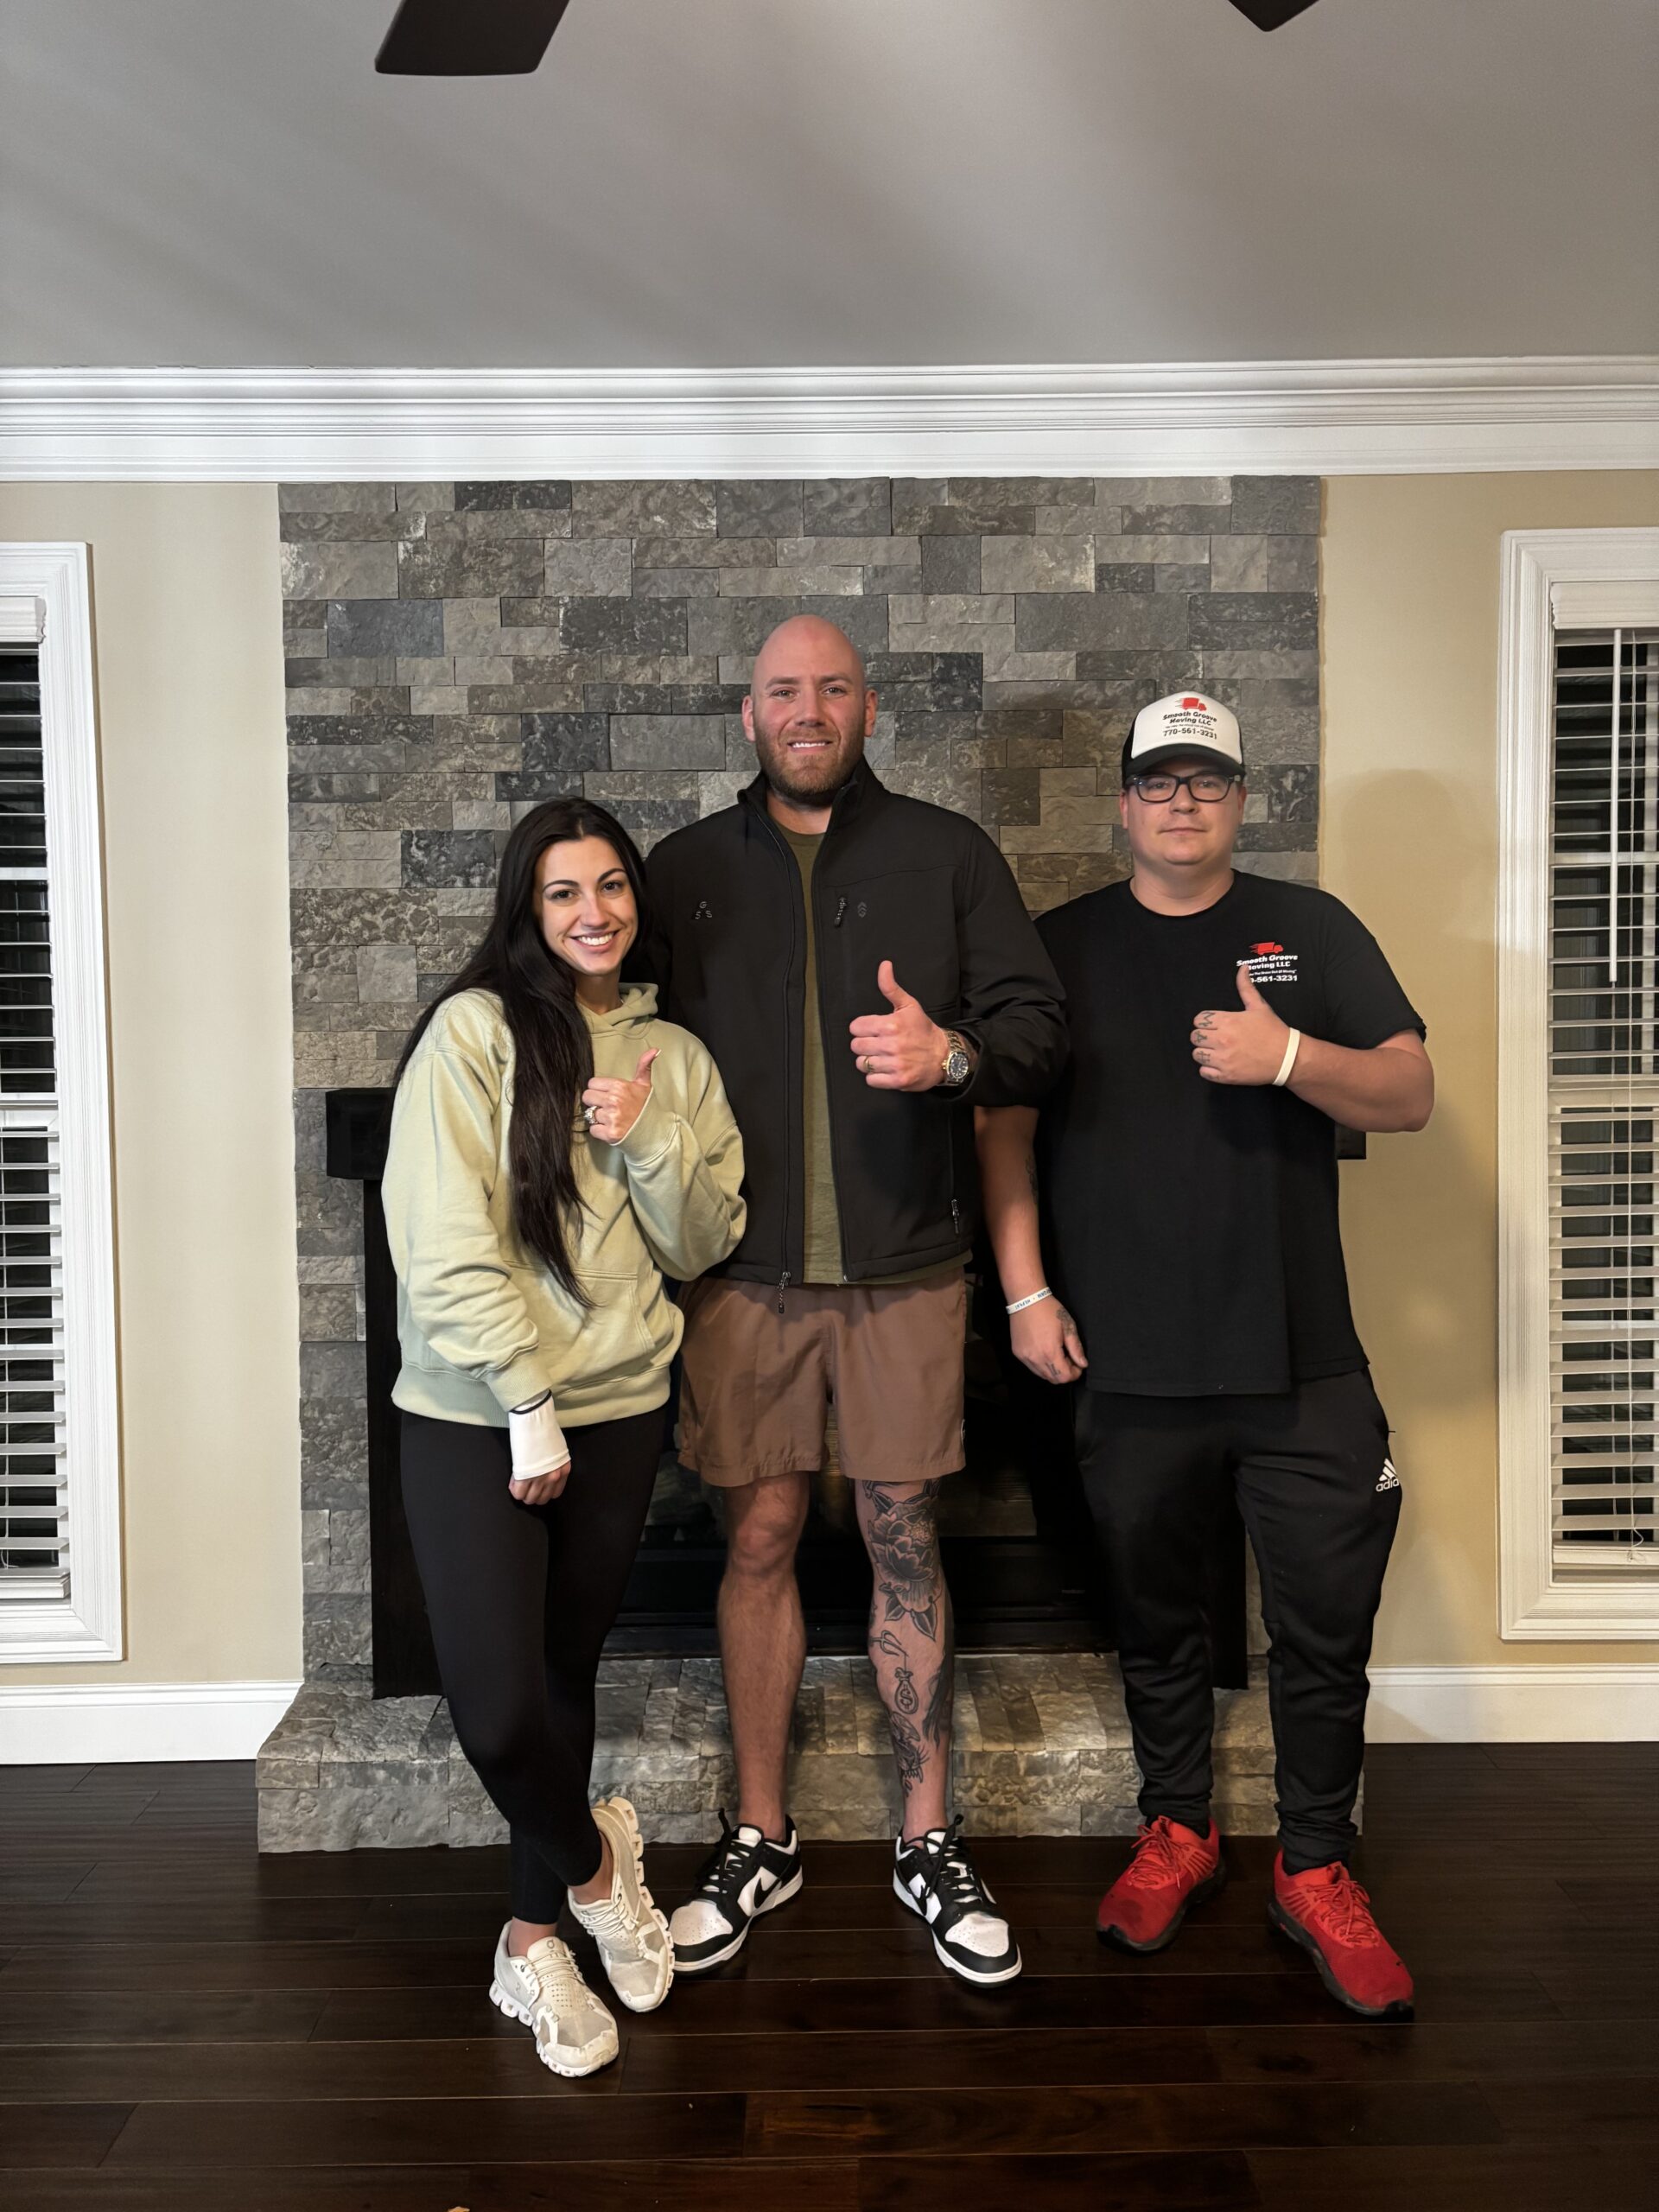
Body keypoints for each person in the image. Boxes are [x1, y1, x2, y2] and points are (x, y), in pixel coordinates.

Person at [976, 690, 1433, 2023]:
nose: (1183, 800)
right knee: (1159, 1625)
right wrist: (1023, 1293)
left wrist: (1287, 1053)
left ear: (1242, 800)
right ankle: (1178, 1831)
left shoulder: (1313, 932)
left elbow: (1407, 1093)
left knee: (1322, 1633)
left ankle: (1317, 1865)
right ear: (1122, 802)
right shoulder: (1056, 950)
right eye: (1160, 780)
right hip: (1126, 1359)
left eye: (1208, 780)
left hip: (1302, 1362)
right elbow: (1000, 1124)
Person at [643, 615, 1066, 1986]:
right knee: (757, 1537)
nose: (807, 709)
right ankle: (759, 1833)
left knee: (902, 1535)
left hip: (906, 1274)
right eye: (782, 689)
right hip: (737, 1281)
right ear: (747, 711)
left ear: (868, 708)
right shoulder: (685, 872)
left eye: (831, 688)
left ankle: (926, 1840)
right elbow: (602, 1010)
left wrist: (951, 1055)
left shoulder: (947, 854)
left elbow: (1040, 1036)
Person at [382, 798, 747, 2075]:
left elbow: (705, 1241)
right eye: (562, 892)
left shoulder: (676, 1059)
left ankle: (531, 1940)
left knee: (560, 1679)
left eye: (611, 886)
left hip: (624, 1407)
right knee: (494, 1712)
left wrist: (639, 1132)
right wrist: (526, 1403)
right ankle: (601, 1871)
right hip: (480, 1417)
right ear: (525, 909)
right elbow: (439, 1240)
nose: (594, 911)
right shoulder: (474, 1034)